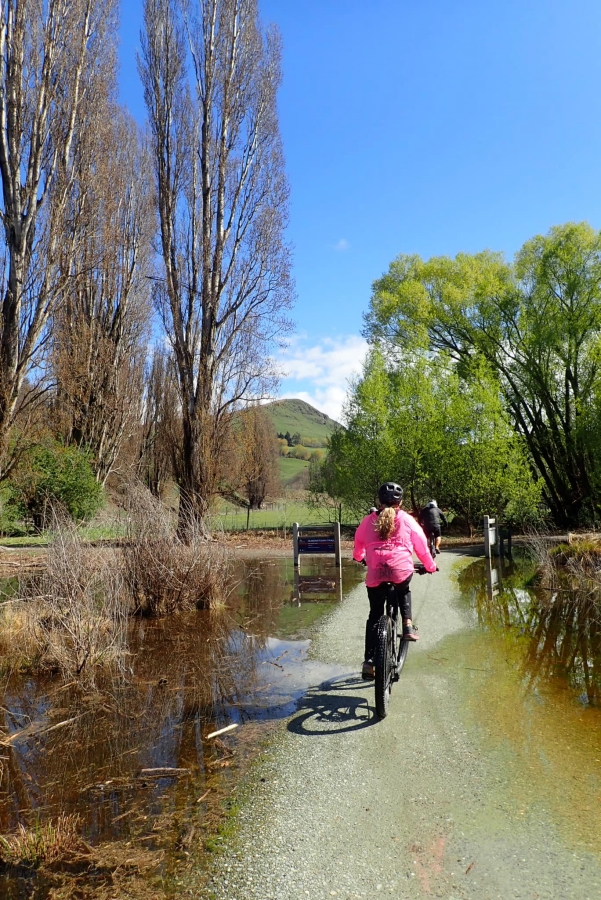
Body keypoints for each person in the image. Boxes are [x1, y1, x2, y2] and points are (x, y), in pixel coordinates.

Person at [353, 482, 437, 679]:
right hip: (400, 571)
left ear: (379, 501)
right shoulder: (407, 519)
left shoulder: (368, 521)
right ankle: (407, 624)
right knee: (403, 590)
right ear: (401, 501)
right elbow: (421, 545)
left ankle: (369, 661)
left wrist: (359, 557)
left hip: (375, 573)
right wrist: (430, 566)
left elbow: (358, 543)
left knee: (374, 614)